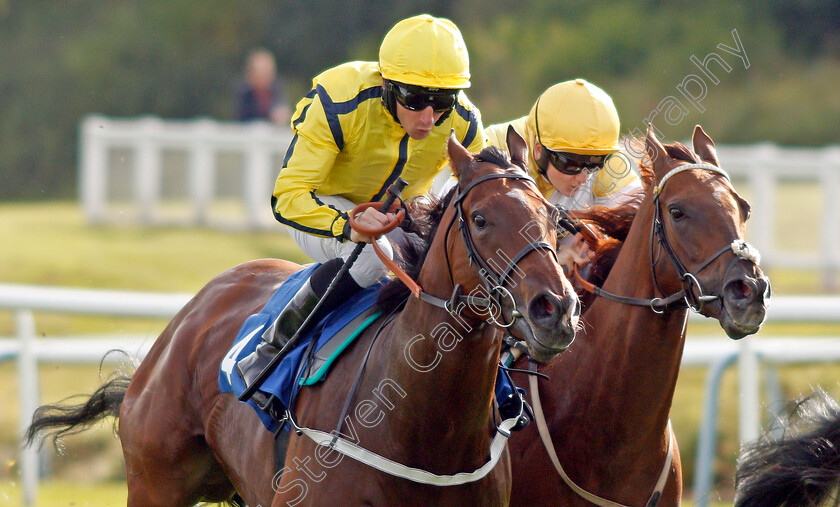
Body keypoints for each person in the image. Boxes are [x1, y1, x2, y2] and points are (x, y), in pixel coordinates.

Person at [236, 14, 487, 401]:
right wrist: (347, 225)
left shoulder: (464, 123)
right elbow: (288, 197)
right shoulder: (340, 99)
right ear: (386, 84)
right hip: (324, 205)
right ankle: (272, 350)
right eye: (416, 99)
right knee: (372, 256)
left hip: (398, 213)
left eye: (441, 102)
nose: (429, 117)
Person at [485, 78, 641, 271]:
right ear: (539, 150)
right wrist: (551, 260)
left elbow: (643, 215)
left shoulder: (600, 149)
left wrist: (603, 228)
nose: (584, 178)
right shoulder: (490, 149)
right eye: (572, 164)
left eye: (595, 164)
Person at [234, 48, 292, 124]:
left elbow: (283, 109)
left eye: (265, 74)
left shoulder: (277, 89)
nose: (261, 78)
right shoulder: (244, 92)